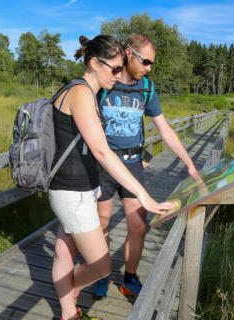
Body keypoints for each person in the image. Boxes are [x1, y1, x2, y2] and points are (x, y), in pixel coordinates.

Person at [49, 34, 175, 320]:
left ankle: (69, 314)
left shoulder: (79, 90)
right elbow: (102, 152)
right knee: (102, 266)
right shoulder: (81, 93)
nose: (119, 75)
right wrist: (143, 194)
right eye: (114, 69)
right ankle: (68, 295)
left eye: (121, 68)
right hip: (73, 191)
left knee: (64, 253)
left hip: (75, 187)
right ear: (94, 63)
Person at [93, 34, 200, 300]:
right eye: (146, 61)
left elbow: (165, 130)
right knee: (102, 223)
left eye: (152, 63)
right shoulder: (105, 83)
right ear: (129, 54)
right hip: (103, 166)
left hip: (133, 165)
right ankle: (102, 274)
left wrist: (190, 165)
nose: (149, 68)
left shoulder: (147, 89)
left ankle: (129, 278)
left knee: (138, 226)